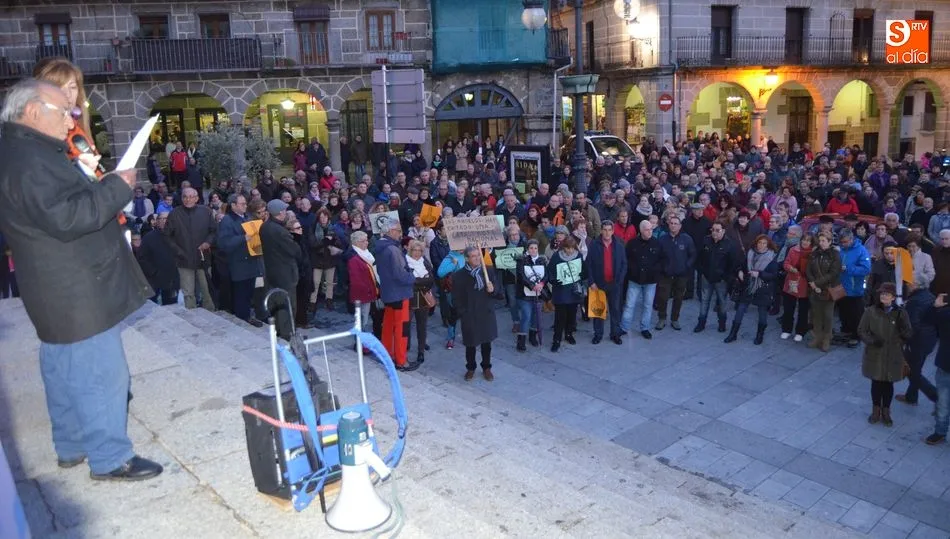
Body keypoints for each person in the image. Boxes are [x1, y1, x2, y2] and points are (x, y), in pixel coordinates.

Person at [0, 78, 162, 480]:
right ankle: (110, 458)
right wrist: (115, 188)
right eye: (63, 111)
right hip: (76, 284)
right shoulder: (31, 159)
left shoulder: (18, 151)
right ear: (33, 112)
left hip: (51, 284)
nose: (71, 118)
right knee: (102, 371)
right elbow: (67, 216)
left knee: (61, 362)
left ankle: (71, 446)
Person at [858, 282, 913, 427]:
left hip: (893, 354)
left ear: (893, 297)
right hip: (875, 353)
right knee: (876, 383)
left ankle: (886, 411)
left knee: (888, 384)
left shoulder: (901, 313)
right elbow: (862, 331)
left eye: (887, 294)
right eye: (882, 294)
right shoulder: (871, 311)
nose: (884, 296)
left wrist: (902, 330)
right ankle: (876, 410)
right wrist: (872, 340)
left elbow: (908, 333)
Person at [374, 216, 420, 372]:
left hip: (388, 292)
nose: (401, 234)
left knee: (387, 325)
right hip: (399, 293)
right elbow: (400, 274)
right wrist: (413, 277)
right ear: (392, 231)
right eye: (399, 231)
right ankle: (401, 361)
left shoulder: (380, 246)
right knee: (402, 328)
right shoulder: (393, 249)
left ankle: (387, 354)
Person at [452, 246, 503, 380]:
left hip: (486, 313)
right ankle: (471, 367)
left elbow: (499, 293)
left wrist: (493, 289)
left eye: (478, 255)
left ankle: (486, 367)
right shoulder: (459, 275)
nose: (477, 258)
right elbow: (456, 297)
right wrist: (463, 312)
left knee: (487, 343)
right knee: (471, 344)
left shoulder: (489, 271)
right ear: (467, 259)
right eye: (474, 256)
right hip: (470, 314)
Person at [217, 194, 264, 327]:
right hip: (239, 263)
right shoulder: (227, 220)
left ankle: (247, 316)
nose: (245, 205)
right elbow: (223, 243)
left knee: (249, 292)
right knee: (241, 294)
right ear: (233, 206)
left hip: (252, 260)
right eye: (242, 203)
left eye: (245, 203)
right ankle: (242, 318)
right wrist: (243, 238)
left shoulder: (248, 217)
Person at [724, 235, 779, 345]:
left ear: (768, 245)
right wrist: (739, 271)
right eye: (759, 243)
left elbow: (773, 275)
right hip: (748, 286)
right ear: (756, 243)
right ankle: (733, 334)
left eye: (764, 243)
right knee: (740, 309)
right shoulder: (750, 253)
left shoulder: (772, 257)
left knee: (762, 313)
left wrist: (760, 273)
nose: (761, 245)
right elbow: (741, 265)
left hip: (763, 288)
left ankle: (760, 335)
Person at [259, 199, 301, 340]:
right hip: (285, 273)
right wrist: (297, 239)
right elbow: (294, 251)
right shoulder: (280, 231)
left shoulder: (264, 227)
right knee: (288, 304)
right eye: (283, 210)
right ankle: (289, 335)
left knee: (277, 302)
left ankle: (279, 331)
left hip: (272, 270)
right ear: (280, 212)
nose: (285, 213)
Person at [896, 278, 938, 408]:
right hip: (929, 339)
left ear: (915, 285)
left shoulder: (915, 301)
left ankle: (937, 396)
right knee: (915, 369)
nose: (907, 285)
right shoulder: (930, 296)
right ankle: (911, 396)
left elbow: (912, 325)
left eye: (909, 283)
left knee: (911, 372)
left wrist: (903, 340)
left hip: (917, 342)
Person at [620, 220, 664, 339]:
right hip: (635, 280)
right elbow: (626, 259)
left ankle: (645, 328)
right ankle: (624, 327)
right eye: (647, 229)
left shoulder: (657, 243)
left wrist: (655, 271)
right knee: (629, 305)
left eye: (651, 229)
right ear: (641, 230)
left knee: (648, 305)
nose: (650, 232)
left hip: (651, 280)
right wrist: (632, 270)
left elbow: (662, 260)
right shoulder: (632, 243)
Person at [586, 220, 628, 344]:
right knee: (598, 310)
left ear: (613, 231)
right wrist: (591, 282)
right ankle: (598, 334)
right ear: (601, 230)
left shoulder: (619, 245)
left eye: (609, 230)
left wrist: (619, 281)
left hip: (615, 284)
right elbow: (588, 265)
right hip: (598, 284)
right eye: (604, 229)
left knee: (615, 310)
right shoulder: (594, 245)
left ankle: (615, 334)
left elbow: (624, 264)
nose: (607, 232)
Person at [695, 220, 739, 333]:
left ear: (723, 231)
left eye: (717, 230)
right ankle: (701, 323)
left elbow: (733, 263)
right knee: (704, 301)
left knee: (722, 302)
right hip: (706, 277)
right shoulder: (706, 240)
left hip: (721, 280)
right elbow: (699, 257)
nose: (714, 232)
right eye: (713, 230)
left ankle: (722, 324)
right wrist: (702, 271)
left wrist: (725, 276)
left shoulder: (730, 244)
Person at [547, 236, 587, 352]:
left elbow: (584, 271)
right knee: (560, 317)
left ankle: (569, 334)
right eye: (567, 248)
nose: (569, 251)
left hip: (573, 291)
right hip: (560, 291)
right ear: (564, 247)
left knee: (571, 315)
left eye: (571, 248)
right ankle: (557, 339)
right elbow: (550, 271)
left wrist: (581, 275)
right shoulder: (556, 257)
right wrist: (554, 280)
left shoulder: (578, 256)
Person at [806, 232, 842, 352]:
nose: (821, 243)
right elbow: (808, 269)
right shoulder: (815, 253)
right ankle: (817, 337)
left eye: (823, 241)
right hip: (815, 288)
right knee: (816, 314)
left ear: (830, 241)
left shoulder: (835, 254)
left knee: (828, 315)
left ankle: (827, 338)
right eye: (820, 240)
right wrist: (812, 282)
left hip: (828, 289)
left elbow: (833, 273)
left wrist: (817, 283)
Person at [837, 229, 872, 347]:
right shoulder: (840, 249)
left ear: (851, 240)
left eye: (845, 242)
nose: (843, 244)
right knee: (843, 312)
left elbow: (866, 269)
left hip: (855, 288)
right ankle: (845, 330)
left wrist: (848, 269)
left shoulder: (861, 251)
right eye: (841, 242)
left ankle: (856, 336)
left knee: (856, 314)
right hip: (841, 287)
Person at [515, 239, 548, 351]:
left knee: (535, 316)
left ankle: (532, 336)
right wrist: (532, 286)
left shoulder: (542, 260)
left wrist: (542, 283)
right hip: (524, 295)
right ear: (527, 249)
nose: (533, 250)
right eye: (531, 248)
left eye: (535, 248)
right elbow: (521, 276)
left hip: (537, 294)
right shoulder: (521, 260)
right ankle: (521, 340)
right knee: (527, 315)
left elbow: (546, 275)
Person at [780, 233, 814, 342]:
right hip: (792, 282)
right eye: (804, 239)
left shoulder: (814, 254)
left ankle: (800, 331)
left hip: (805, 284)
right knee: (788, 308)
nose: (805, 242)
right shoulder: (793, 250)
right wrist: (790, 268)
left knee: (803, 310)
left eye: (808, 240)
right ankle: (787, 329)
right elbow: (786, 263)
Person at [406, 240, 434, 364]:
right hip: (410, 297)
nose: (417, 253)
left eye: (419, 251)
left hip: (423, 297)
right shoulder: (405, 262)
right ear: (410, 251)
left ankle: (421, 350)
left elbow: (431, 280)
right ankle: (406, 345)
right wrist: (422, 281)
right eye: (414, 250)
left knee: (422, 325)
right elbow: (409, 281)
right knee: (406, 324)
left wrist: (419, 282)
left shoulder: (425, 262)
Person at [927, 292, 950, 445]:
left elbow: (928, 319)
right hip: (945, 366)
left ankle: (940, 432)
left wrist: (935, 307)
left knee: (943, 403)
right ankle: (940, 432)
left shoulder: (945, 314)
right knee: (942, 402)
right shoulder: (945, 315)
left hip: (945, 365)